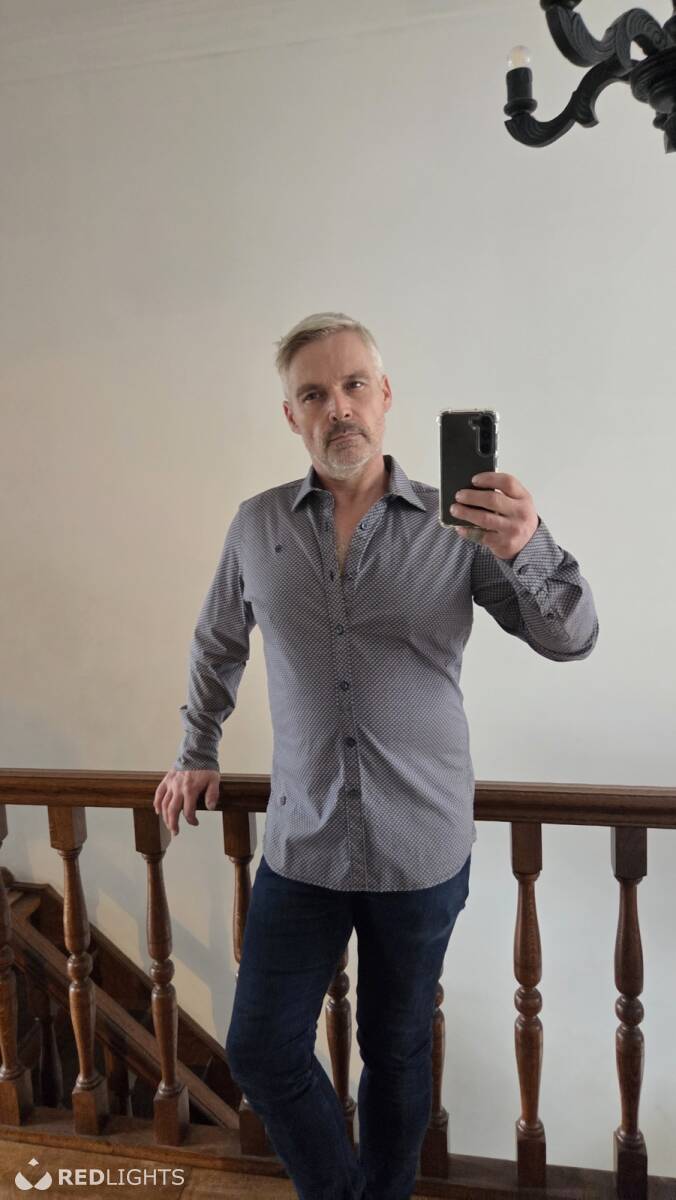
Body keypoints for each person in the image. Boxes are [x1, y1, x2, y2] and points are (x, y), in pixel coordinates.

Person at [154, 311, 599, 1200]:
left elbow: (570, 638)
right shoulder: (256, 525)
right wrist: (196, 747)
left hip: (420, 849)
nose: (339, 408)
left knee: (395, 1052)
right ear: (291, 416)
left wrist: (529, 545)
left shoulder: (459, 525)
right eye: (314, 394)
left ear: (386, 396)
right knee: (262, 1048)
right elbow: (217, 643)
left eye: (355, 385)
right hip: (304, 845)